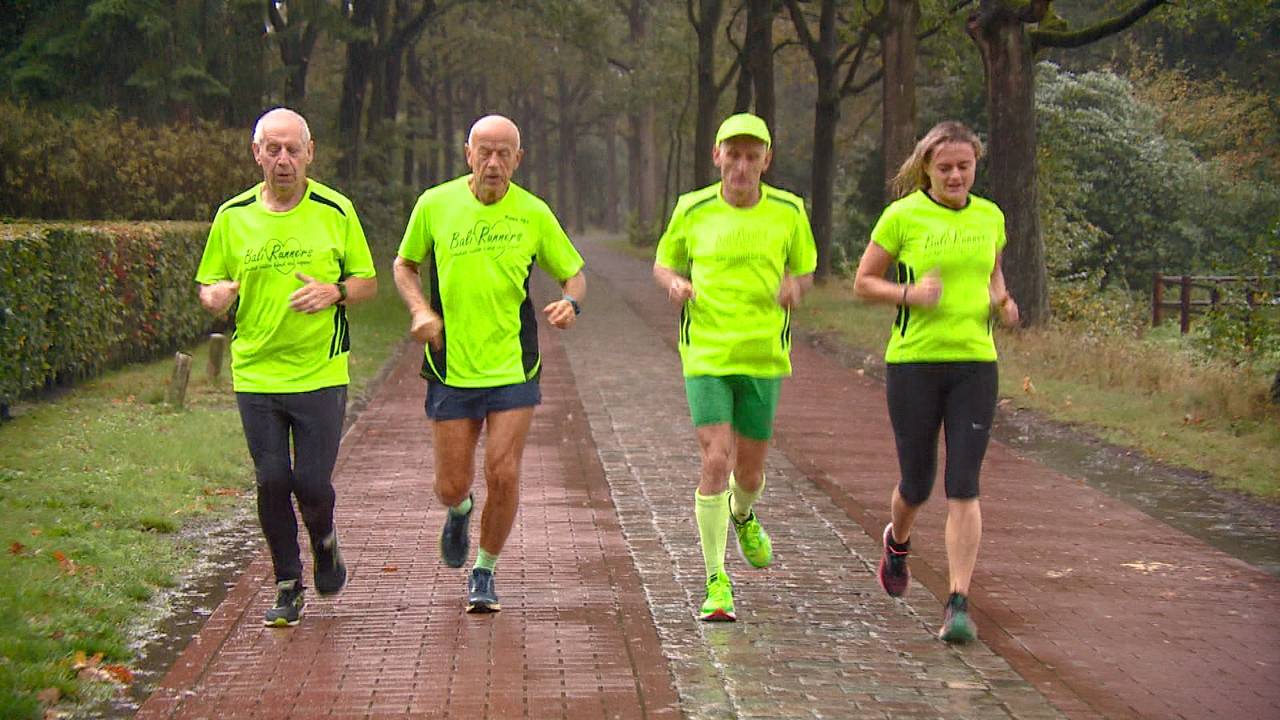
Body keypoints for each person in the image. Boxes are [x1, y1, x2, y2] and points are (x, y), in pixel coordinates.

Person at [393, 114, 586, 614]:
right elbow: (404, 265)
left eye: (504, 154)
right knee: (450, 485)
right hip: (451, 365)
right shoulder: (434, 205)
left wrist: (571, 303)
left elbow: (574, 274)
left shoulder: (534, 213)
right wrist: (420, 309)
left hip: (513, 366)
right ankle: (459, 510)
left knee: (502, 471)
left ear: (518, 160)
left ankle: (485, 569)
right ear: (468, 154)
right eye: (485, 152)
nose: (493, 163)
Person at [195, 108, 378, 627]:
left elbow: (367, 283)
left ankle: (325, 541)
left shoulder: (335, 210)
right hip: (256, 371)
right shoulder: (232, 216)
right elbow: (209, 283)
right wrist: (214, 296)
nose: (283, 160)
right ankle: (287, 583)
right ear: (257, 153)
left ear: (309, 153)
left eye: (292, 149)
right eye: (272, 149)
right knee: (272, 479)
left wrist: (334, 291)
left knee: (312, 483)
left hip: (320, 371)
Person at [853, 120, 1020, 643]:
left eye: (964, 167)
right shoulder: (902, 216)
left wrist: (1002, 301)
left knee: (963, 482)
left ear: (976, 165)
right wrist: (909, 295)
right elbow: (863, 283)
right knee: (918, 482)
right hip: (914, 364)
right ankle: (897, 543)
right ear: (926, 167)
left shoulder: (990, 216)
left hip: (975, 363)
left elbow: (992, 272)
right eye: (945, 167)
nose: (955, 176)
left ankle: (957, 603)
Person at [653, 113, 817, 622]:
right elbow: (663, 262)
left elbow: (806, 270)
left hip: (763, 355)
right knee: (716, 460)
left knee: (749, 471)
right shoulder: (692, 208)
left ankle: (742, 513)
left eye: (752, 156)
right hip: (706, 352)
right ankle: (716, 580)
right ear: (717, 156)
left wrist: (795, 288)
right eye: (733, 155)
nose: (741, 166)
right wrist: (674, 284)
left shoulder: (789, 211)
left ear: (766, 161)